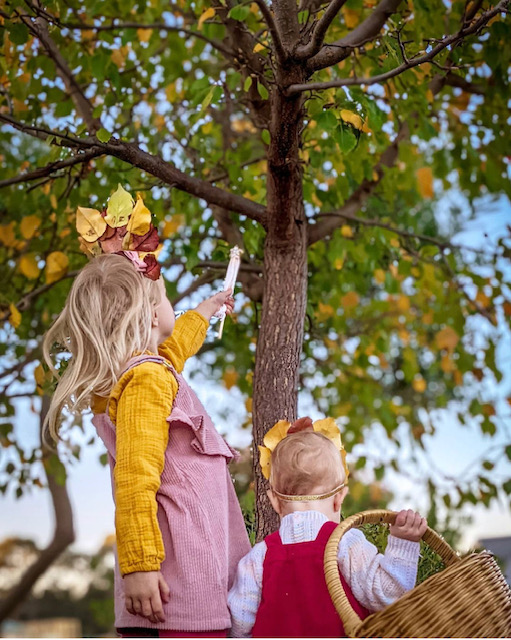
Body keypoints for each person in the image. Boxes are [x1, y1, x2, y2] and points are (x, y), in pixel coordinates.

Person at [44, 187, 251, 637]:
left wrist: (207, 308)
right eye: (164, 297)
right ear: (149, 314)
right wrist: (138, 565)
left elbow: (176, 346)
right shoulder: (146, 383)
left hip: (179, 576)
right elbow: (135, 479)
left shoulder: (147, 375)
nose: (171, 305)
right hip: (174, 585)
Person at [227, 417, 427, 638]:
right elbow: (387, 597)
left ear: (274, 501)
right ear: (338, 499)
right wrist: (404, 543)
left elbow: (239, 626)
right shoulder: (346, 544)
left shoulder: (257, 559)